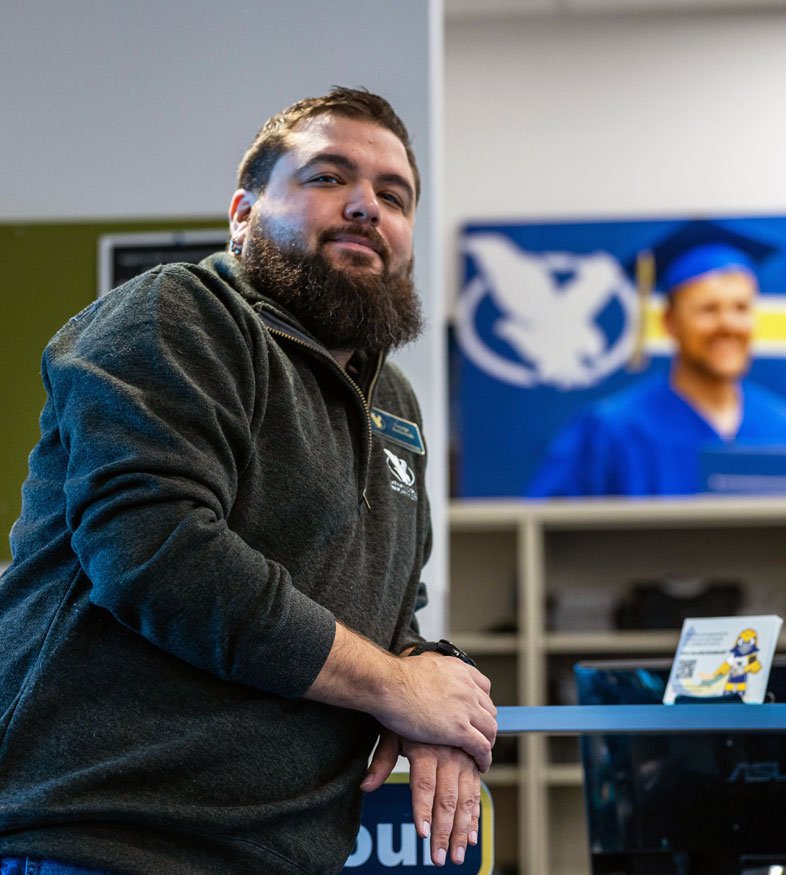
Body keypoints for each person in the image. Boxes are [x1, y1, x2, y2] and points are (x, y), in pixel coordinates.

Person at [0, 88, 497, 874]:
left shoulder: (392, 402)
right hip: (104, 837)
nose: (367, 206)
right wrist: (397, 686)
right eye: (329, 177)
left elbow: (388, 603)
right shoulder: (176, 315)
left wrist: (435, 692)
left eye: (393, 195)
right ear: (243, 213)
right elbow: (158, 554)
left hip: (285, 852)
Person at [528, 220, 786, 496]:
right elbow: (550, 534)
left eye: (741, 308)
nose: (727, 325)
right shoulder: (613, 433)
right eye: (708, 310)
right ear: (670, 323)